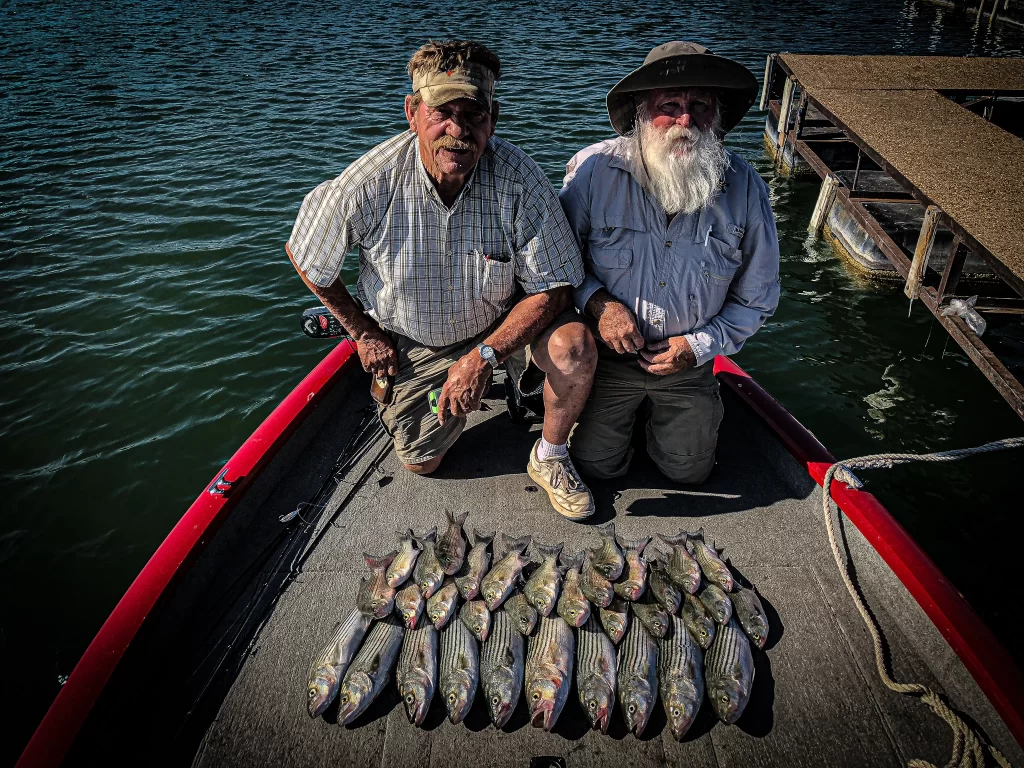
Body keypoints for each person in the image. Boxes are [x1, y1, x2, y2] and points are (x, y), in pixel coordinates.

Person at [287, 40, 597, 520]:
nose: (458, 131)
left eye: (473, 114)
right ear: (412, 113)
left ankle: (548, 453)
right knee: (423, 461)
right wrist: (363, 333)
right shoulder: (370, 181)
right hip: (416, 335)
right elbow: (305, 254)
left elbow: (554, 288)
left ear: (492, 118)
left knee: (573, 347)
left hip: (502, 320)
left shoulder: (521, 178)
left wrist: (483, 355)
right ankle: (433, 378)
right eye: (441, 113)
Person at [560, 41, 780, 484]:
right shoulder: (591, 171)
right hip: (607, 360)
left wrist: (698, 346)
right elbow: (556, 267)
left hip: (688, 365)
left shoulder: (746, 187)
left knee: (689, 473)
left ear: (715, 116)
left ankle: (667, 425)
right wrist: (600, 304)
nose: (686, 120)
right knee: (597, 469)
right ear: (642, 111)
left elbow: (758, 298)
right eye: (670, 105)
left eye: (699, 105)